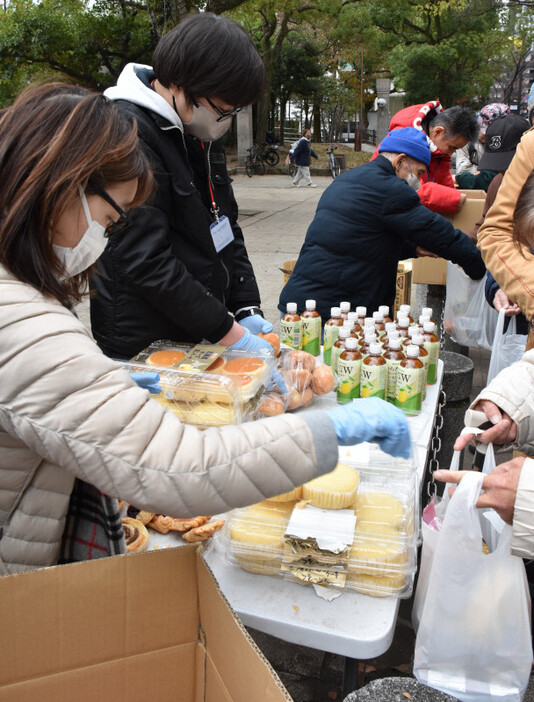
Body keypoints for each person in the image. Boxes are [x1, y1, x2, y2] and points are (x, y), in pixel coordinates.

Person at [0, 83, 412, 575]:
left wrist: (103, 378)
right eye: (109, 221)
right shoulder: (25, 323)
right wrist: (327, 431)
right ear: (61, 185)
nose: (104, 241)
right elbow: (182, 469)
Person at [90, 13, 274, 362]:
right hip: (143, 339)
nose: (226, 122)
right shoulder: (127, 132)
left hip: (202, 328)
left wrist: (246, 306)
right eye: (223, 109)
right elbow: (143, 257)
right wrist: (227, 331)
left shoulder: (197, 129)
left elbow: (225, 225)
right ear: (181, 84)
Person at [278, 127, 485, 322]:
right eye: (420, 173)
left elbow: (361, 238)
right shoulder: (391, 189)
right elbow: (441, 235)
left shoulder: (348, 179)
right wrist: (479, 271)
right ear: (400, 161)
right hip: (331, 315)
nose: (420, 182)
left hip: (298, 307)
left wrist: (413, 248)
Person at [477, 121, 534, 350]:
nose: (503, 174)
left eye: (507, 165)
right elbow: (493, 231)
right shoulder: (498, 184)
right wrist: (502, 283)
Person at [375, 101, 478, 214]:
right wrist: (453, 198)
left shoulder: (439, 152)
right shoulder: (403, 140)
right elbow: (405, 188)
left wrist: (453, 196)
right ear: (437, 132)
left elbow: (444, 181)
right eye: (451, 147)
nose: (450, 154)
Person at [455, 103, 509, 192]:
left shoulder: (507, 144)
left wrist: (481, 175)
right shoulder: (466, 139)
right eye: (481, 128)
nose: (483, 134)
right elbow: (462, 169)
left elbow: (490, 178)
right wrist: (483, 173)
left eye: (489, 132)